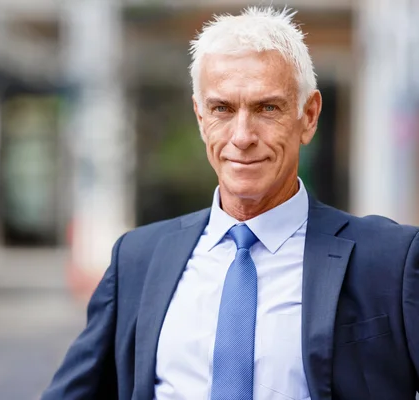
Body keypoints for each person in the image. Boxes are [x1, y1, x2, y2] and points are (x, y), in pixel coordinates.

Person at [42, 6, 419, 400]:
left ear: (308, 116)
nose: (242, 136)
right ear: (201, 117)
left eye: (267, 108)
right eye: (222, 109)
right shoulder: (137, 259)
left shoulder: (391, 260)